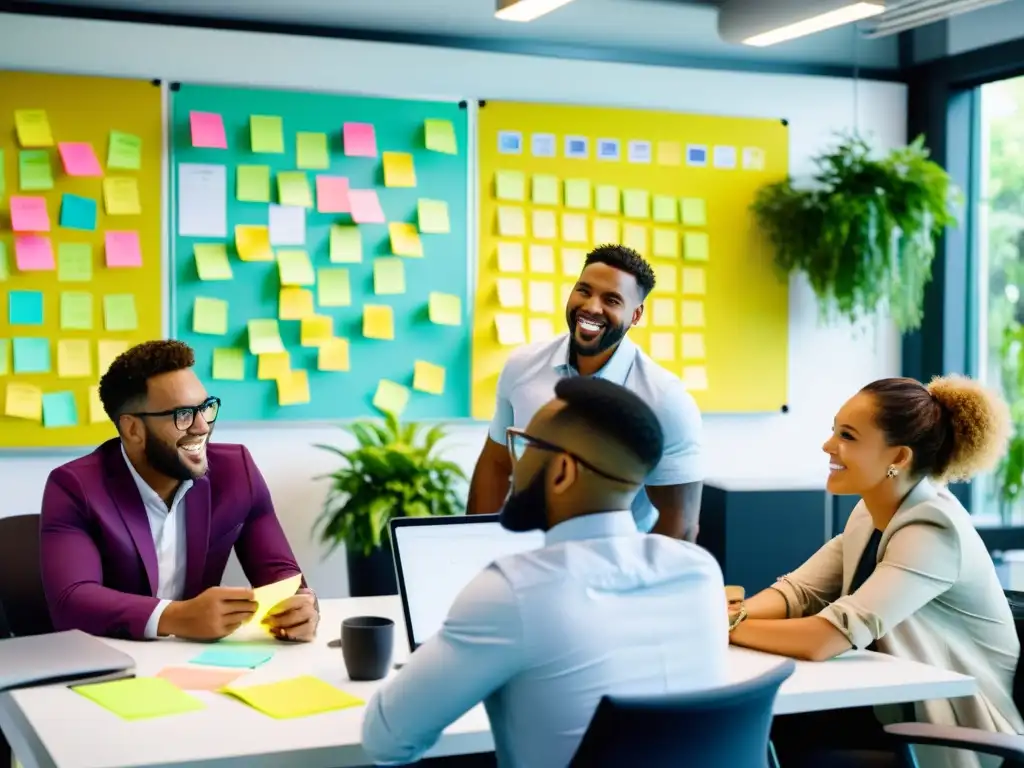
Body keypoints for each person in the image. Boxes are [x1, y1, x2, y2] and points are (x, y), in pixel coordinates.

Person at [362, 376, 728, 767]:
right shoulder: (699, 572)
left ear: (563, 472)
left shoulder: (515, 592)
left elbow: (386, 740)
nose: (513, 467)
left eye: (524, 446)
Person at [727, 375, 1024, 768]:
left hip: (959, 736)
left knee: (774, 740)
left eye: (847, 436)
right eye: (833, 431)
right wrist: (731, 614)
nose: (828, 446)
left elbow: (827, 637)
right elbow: (798, 593)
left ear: (898, 458)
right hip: (892, 712)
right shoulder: (871, 510)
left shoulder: (935, 529)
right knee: (766, 732)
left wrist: (725, 628)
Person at [40, 340, 318, 643]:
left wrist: (301, 607)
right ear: (133, 429)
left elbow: (281, 576)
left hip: (197, 661)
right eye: (183, 414)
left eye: (206, 408)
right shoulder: (74, 487)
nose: (202, 427)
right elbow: (72, 601)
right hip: (111, 660)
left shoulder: (236, 471)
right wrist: (176, 616)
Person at [467, 244, 703, 541]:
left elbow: (679, 523)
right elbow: (496, 463)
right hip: (530, 556)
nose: (591, 307)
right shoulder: (522, 367)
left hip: (614, 566)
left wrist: (633, 580)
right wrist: (474, 549)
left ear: (636, 315)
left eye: (612, 299)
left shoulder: (665, 400)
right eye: (584, 290)